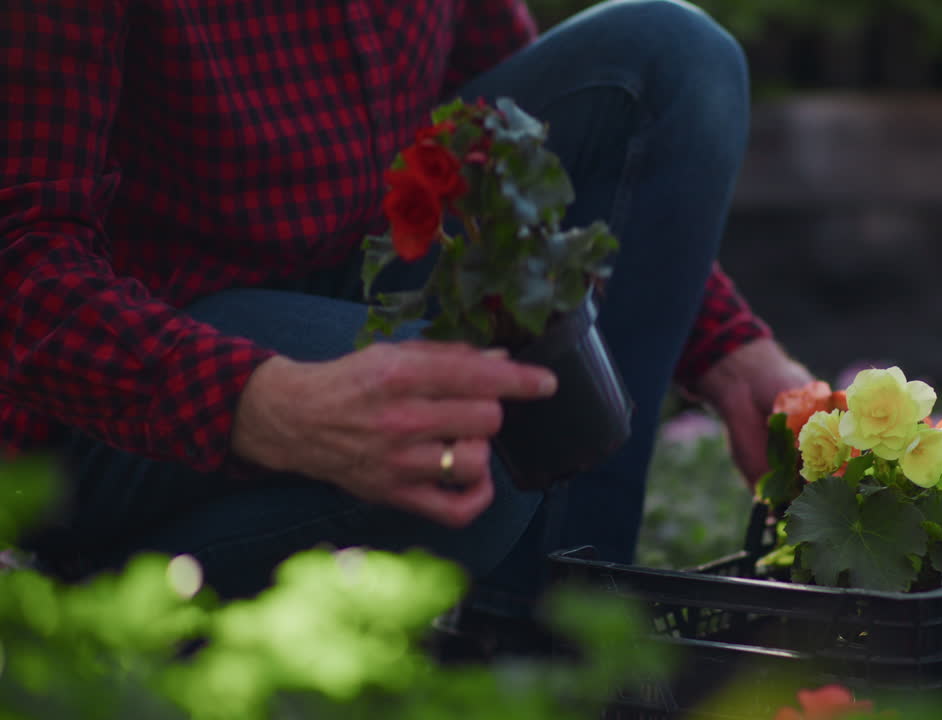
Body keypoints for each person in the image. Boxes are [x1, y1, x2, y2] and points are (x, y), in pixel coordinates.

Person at [0, 0, 813, 603]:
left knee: (670, 53)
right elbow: (21, 266)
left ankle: (558, 634)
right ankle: (105, 604)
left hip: (351, 275)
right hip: (131, 362)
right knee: (474, 444)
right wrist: (263, 404)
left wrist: (729, 350)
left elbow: (506, 138)